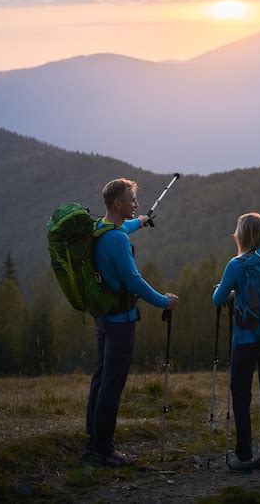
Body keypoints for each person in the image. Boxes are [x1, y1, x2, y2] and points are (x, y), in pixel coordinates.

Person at [86, 178, 179, 467]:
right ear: (118, 203)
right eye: (132, 200)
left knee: (101, 379)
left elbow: (121, 228)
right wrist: (164, 301)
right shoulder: (116, 240)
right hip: (120, 322)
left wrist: (139, 222)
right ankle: (103, 450)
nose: (137, 204)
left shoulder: (101, 228)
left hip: (103, 317)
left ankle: (94, 441)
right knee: (112, 385)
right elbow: (134, 282)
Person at [212, 212, 260, 472]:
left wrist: (226, 289)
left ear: (241, 235)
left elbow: (218, 299)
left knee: (241, 396)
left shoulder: (237, 264)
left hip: (245, 340)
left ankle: (244, 456)